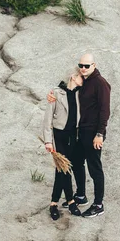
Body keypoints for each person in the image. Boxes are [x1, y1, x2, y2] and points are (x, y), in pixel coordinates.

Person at [48, 53, 111, 218]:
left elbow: (105, 111)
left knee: (94, 168)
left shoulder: (100, 83)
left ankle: (98, 205)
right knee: (76, 162)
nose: (83, 68)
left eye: (87, 66)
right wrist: (52, 95)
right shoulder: (84, 81)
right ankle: (81, 195)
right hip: (80, 133)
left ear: (94, 65)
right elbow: (67, 90)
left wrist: (100, 134)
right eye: (81, 65)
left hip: (93, 133)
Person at [41, 71, 84, 220]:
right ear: (73, 76)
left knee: (63, 169)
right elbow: (47, 119)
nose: (83, 79)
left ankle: (53, 203)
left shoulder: (80, 93)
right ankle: (71, 202)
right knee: (63, 168)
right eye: (81, 77)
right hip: (59, 136)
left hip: (74, 135)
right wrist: (48, 141)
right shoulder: (56, 93)